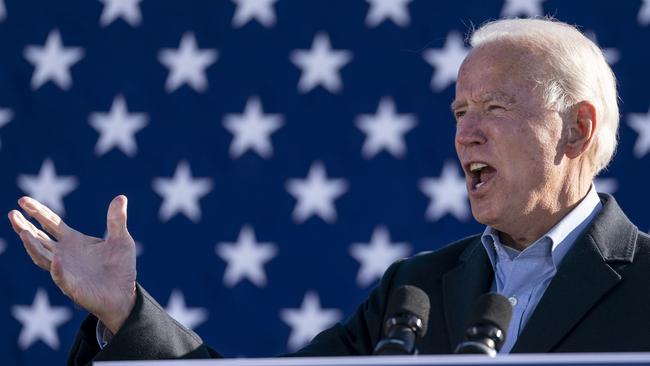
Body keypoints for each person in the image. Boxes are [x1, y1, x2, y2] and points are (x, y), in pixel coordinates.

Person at [9, 17, 650, 365]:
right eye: (459, 113)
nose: (467, 135)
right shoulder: (417, 288)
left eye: (494, 107)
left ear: (577, 128)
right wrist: (123, 312)